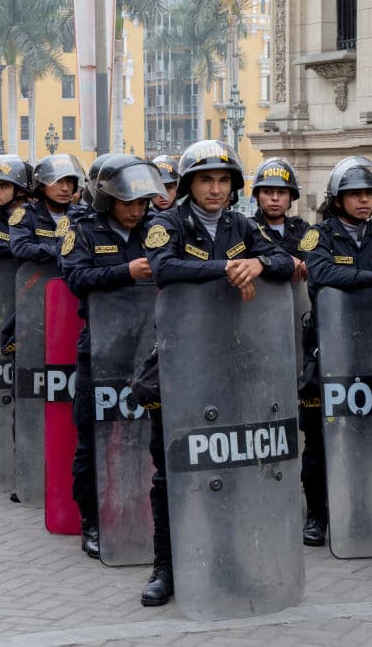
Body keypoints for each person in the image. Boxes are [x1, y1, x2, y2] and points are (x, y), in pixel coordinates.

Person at [141, 140, 296, 606]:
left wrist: (259, 261)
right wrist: (226, 267)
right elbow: (164, 267)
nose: (215, 188)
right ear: (189, 184)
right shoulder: (167, 223)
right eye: (206, 180)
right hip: (179, 363)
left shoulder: (242, 225)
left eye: (223, 180)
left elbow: (284, 261)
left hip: (233, 364)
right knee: (172, 470)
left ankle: (229, 562)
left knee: (229, 465)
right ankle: (166, 567)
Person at [300, 156, 372, 547]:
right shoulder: (319, 235)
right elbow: (321, 272)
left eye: (368, 194)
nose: (364, 200)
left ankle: (362, 511)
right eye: (355, 195)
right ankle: (318, 516)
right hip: (328, 354)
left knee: (366, 440)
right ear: (338, 199)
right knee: (320, 441)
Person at [60, 154, 166, 560]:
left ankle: (145, 517)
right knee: (93, 437)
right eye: (128, 203)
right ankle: (93, 522)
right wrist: (126, 272)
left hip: (149, 349)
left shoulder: (157, 230)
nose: (136, 211)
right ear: (107, 199)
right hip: (101, 349)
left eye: (142, 203)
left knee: (149, 435)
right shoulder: (82, 231)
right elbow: (76, 278)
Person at [10, 153, 88, 264]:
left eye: (69, 181)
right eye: (58, 181)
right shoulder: (26, 214)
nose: (65, 188)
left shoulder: (82, 215)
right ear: (42, 186)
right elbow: (21, 248)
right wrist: (61, 250)